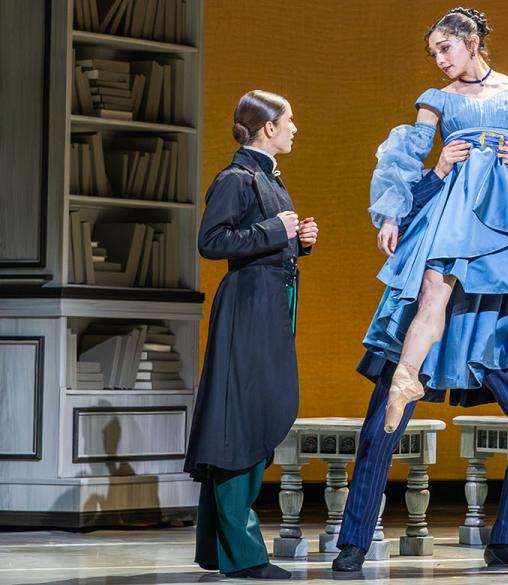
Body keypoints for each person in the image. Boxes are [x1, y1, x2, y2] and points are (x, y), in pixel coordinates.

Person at [362, 6, 508, 464]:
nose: (440, 60)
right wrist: (391, 216)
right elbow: (404, 158)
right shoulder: (437, 99)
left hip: (506, 205)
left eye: (445, 48)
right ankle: (405, 380)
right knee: (433, 292)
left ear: (471, 43)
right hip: (456, 204)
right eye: (434, 53)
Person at [333, 126, 508, 572]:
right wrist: (437, 171)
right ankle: (354, 543)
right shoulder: (443, 182)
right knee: (382, 429)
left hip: (488, 323)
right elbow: (400, 228)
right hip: (426, 322)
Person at [184, 90, 317, 580]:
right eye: (290, 120)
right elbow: (212, 241)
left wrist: (298, 241)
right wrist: (276, 232)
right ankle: (243, 554)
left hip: (269, 306)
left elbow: (264, 238)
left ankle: (218, 550)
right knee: (239, 421)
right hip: (247, 309)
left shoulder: (269, 177)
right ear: (268, 128)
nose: (295, 128)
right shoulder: (236, 178)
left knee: (253, 412)